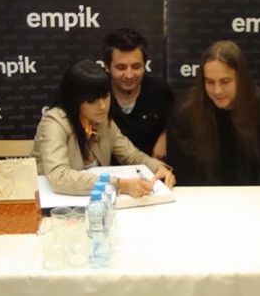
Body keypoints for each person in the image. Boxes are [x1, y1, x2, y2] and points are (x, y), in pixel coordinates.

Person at [32, 59, 176, 197]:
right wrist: (117, 185)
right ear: (74, 100)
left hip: (98, 202)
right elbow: (59, 177)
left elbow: (132, 156)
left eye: (105, 96)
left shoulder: (102, 121)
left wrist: (158, 168)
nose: (102, 106)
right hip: (55, 205)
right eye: (92, 100)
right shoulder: (54, 123)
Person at [166, 40, 260, 185]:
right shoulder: (185, 112)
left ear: (241, 79)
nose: (217, 90)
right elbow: (181, 172)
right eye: (210, 82)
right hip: (203, 195)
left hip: (255, 194)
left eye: (225, 81)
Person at [103, 28, 173, 160]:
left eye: (136, 67)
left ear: (145, 65)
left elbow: (177, 124)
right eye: (121, 67)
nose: (129, 75)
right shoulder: (97, 94)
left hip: (153, 168)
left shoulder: (160, 91)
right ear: (107, 67)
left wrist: (166, 136)